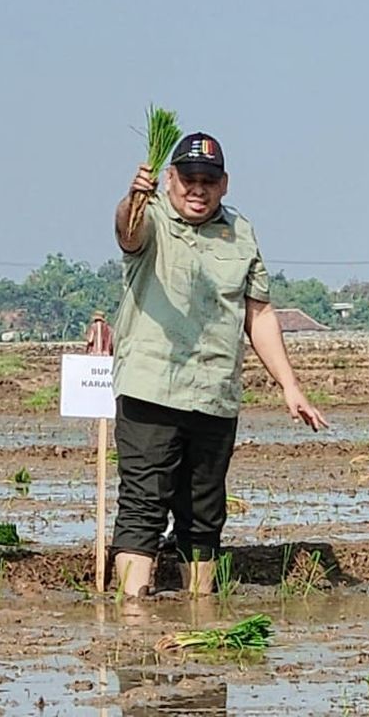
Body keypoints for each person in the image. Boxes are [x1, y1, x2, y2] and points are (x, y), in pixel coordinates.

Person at [111, 132, 327, 597]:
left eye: (208, 180)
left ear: (224, 184)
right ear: (170, 179)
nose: (197, 188)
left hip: (214, 393)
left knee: (204, 513)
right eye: (188, 178)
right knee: (143, 507)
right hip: (151, 389)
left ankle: (200, 618)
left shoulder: (241, 232)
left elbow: (260, 312)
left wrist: (290, 386)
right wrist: (132, 196)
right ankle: (132, 624)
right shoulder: (149, 217)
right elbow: (127, 234)